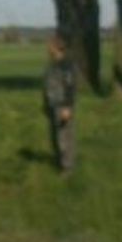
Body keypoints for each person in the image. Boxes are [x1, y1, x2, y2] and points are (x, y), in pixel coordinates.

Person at [42, 37, 76, 175]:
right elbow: (47, 86)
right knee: (55, 137)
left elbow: (69, 87)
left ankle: (67, 167)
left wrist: (67, 107)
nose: (47, 49)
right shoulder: (52, 65)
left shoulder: (66, 65)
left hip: (62, 105)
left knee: (64, 137)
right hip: (52, 105)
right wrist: (45, 103)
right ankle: (59, 161)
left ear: (56, 48)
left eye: (49, 46)